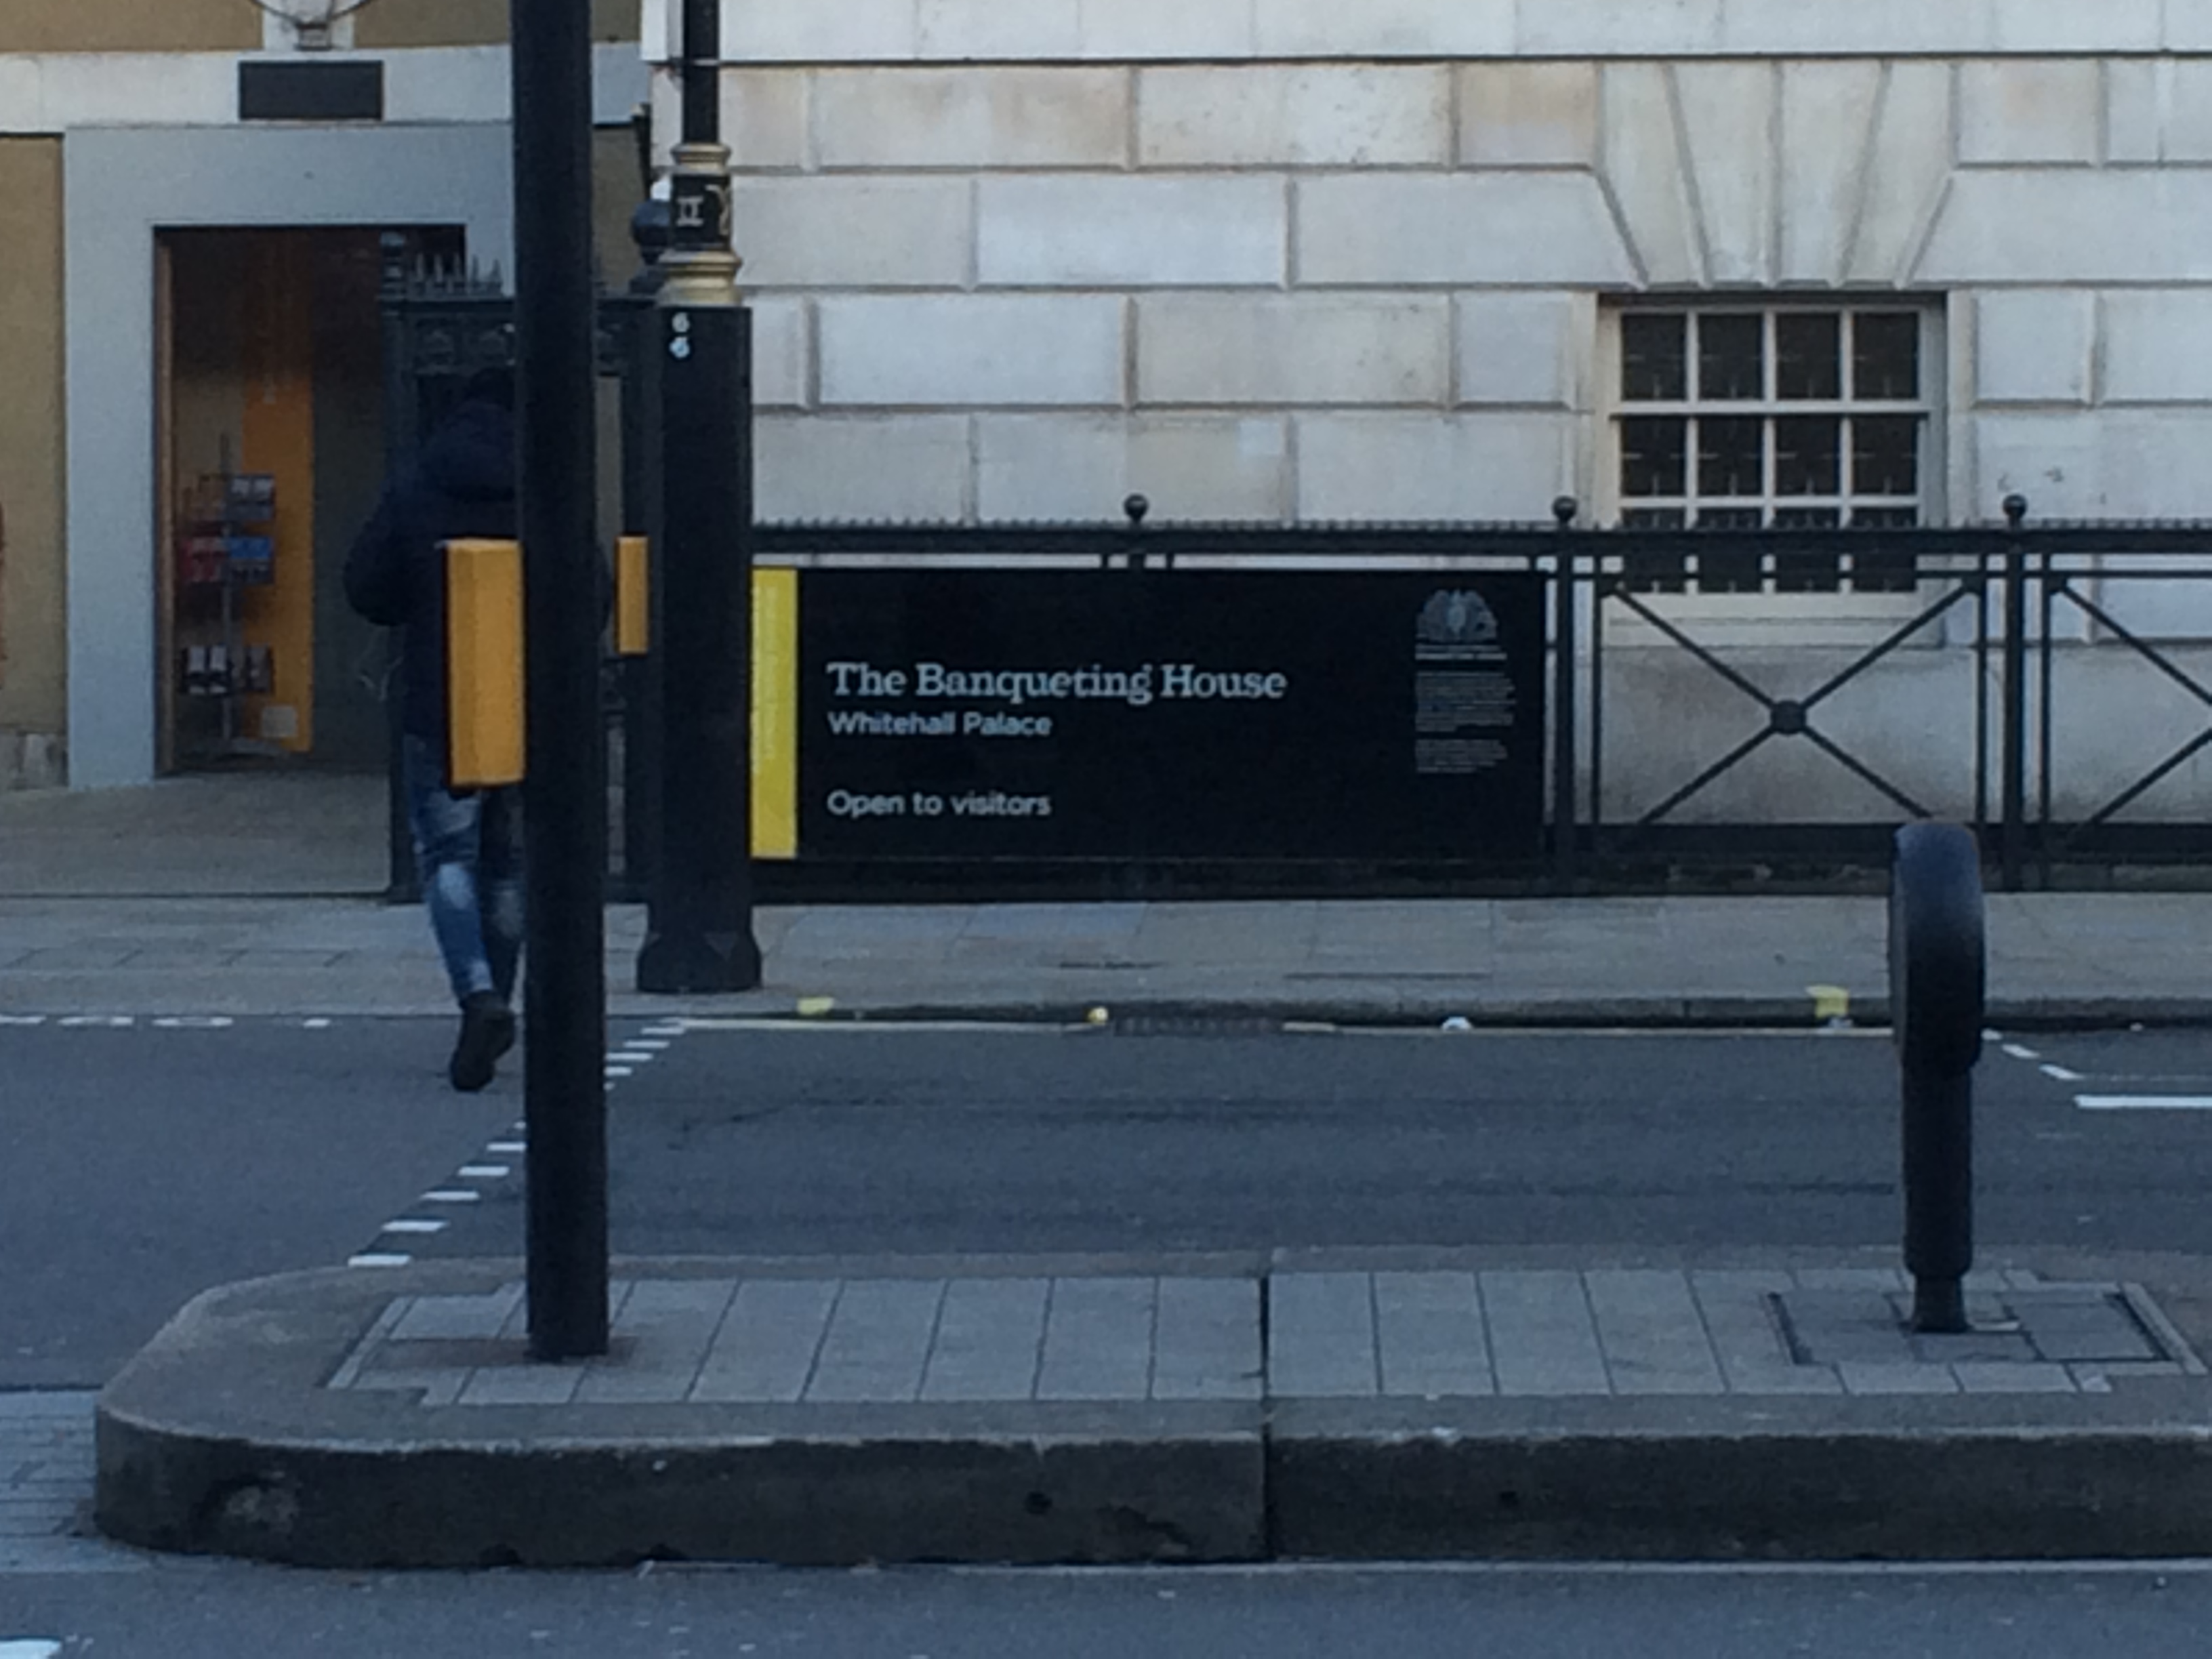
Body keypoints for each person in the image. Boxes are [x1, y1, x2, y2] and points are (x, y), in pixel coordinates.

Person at [345, 367, 524, 1092]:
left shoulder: (418, 481)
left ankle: (477, 994)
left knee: (450, 854)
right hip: (523, 703)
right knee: (506, 864)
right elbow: (594, 589)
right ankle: (500, 1001)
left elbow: (366, 585)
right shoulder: (544, 481)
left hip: (440, 699)